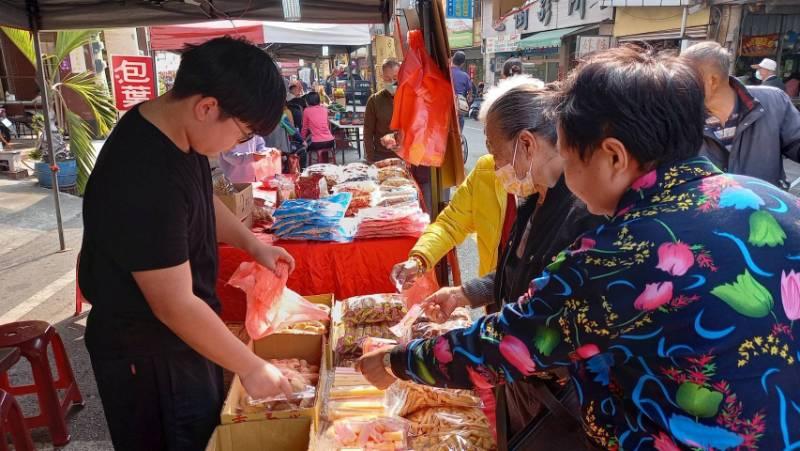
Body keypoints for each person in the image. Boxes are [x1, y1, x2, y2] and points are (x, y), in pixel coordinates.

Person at [359, 46, 800, 449]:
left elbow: (506, 344)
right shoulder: (778, 203)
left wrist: (397, 362)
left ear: (613, 156)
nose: (566, 176)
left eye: (570, 159)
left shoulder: (620, 250)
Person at [79, 37, 296, 450]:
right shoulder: (143, 174)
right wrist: (249, 366)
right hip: (147, 355)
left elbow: (200, 200)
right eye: (241, 133)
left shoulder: (176, 130)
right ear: (207, 107)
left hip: (184, 338)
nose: (238, 145)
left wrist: (253, 244)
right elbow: (173, 304)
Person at [393, 76, 604, 448]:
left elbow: (531, 328)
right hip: (520, 377)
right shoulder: (534, 200)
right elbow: (519, 273)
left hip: (558, 397)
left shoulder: (580, 212)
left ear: (526, 143)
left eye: (493, 147)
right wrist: (464, 292)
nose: (493, 162)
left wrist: (401, 361)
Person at [682, 42, 800, 187]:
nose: (679, 85)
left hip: (763, 207)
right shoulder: (680, 113)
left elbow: (796, 142)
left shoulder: (773, 101)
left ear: (712, 81)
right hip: (705, 207)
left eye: (685, 78)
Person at [364, 59, 401, 163]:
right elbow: (367, 133)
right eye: (388, 79)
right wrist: (370, 159)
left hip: (406, 157)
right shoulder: (374, 100)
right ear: (382, 78)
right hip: (382, 157)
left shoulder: (408, 98)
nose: (392, 83)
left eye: (395, 78)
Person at [301, 91, 335, 163]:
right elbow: (327, 125)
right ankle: (325, 163)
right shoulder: (324, 109)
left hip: (317, 143)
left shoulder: (306, 111)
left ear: (308, 101)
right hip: (330, 141)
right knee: (311, 138)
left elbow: (305, 128)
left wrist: (302, 140)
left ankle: (313, 167)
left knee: (304, 145)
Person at [450, 50, 473, 130]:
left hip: (444, 107)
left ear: (452, 59)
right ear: (462, 64)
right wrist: (469, 98)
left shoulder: (445, 72)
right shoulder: (465, 76)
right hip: (458, 107)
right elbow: (470, 96)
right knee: (459, 127)